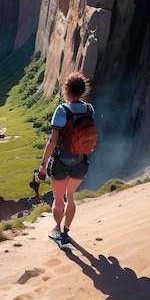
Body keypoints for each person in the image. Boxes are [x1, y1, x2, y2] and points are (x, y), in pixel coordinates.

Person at [37, 71, 94, 244]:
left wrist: (43, 165)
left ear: (67, 89)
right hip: (80, 162)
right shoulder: (89, 109)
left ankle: (58, 230)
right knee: (71, 197)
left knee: (58, 199)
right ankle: (67, 232)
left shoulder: (62, 110)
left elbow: (52, 141)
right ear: (83, 91)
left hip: (61, 162)